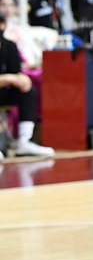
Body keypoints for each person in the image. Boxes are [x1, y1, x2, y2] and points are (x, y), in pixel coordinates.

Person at [0, 11, 55, 158]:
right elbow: (11, 77)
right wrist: (9, 78)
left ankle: (24, 141)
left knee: (28, 91)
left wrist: (22, 79)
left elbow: (16, 73)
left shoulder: (9, 46)